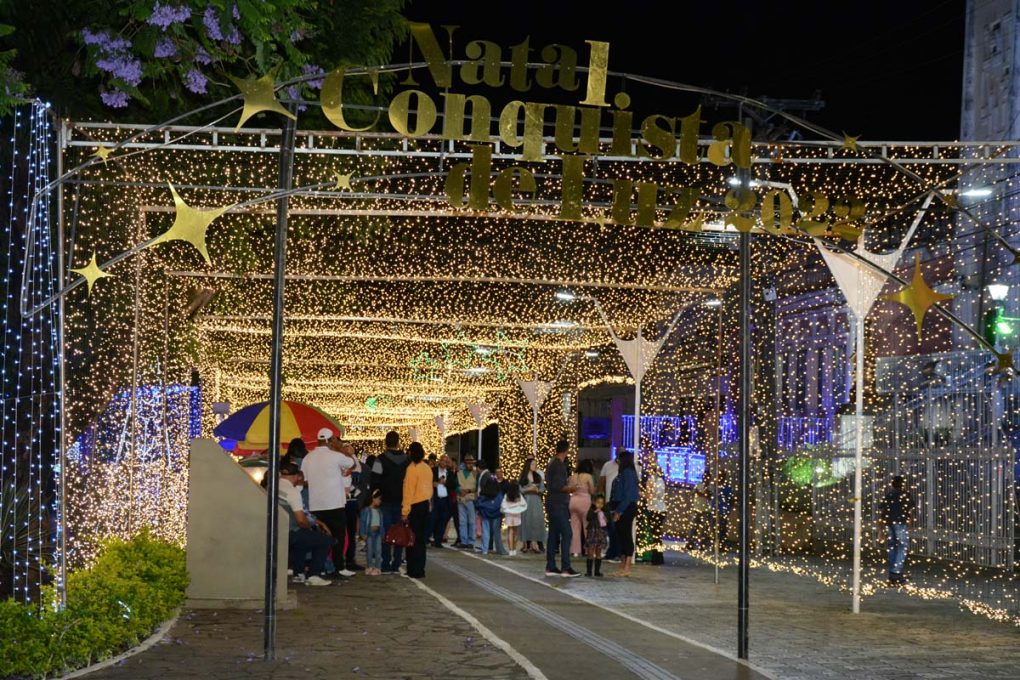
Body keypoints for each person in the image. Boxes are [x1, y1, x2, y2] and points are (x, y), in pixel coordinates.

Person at [301, 428, 356, 577]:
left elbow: (304, 480)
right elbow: (351, 463)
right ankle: (338, 567)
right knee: (338, 537)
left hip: (316, 504)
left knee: (319, 539)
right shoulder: (336, 456)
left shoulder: (308, 458)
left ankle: (320, 568)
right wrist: (340, 448)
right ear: (331, 440)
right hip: (334, 503)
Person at [279, 463, 334, 586]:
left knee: (303, 539)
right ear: (296, 477)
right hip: (289, 531)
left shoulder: (273, 486)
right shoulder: (292, 492)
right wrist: (311, 528)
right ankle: (313, 575)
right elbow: (301, 520)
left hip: (276, 530)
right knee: (325, 540)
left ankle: (298, 574)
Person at [371, 431, 408, 574]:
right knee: (399, 532)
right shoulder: (407, 460)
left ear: (386, 443)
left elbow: (374, 480)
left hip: (385, 501)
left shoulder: (380, 459)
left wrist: (376, 496)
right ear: (398, 442)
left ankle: (385, 563)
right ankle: (396, 563)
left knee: (385, 533)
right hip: (402, 501)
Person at [545, 440, 580, 577]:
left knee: (553, 534)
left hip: (552, 502)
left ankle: (551, 566)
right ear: (566, 450)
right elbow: (558, 486)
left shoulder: (551, 463)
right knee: (567, 533)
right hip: (558, 503)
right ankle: (566, 567)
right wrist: (571, 488)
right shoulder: (559, 465)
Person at [401, 442, 433, 579]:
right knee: (421, 540)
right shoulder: (427, 468)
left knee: (412, 539)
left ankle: (412, 569)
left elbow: (408, 491)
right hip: (425, 504)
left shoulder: (411, 469)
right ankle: (420, 569)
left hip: (415, 506)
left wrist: (405, 511)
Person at [333, 438, 364, 572]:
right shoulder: (334, 458)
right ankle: (339, 560)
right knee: (339, 532)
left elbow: (357, 471)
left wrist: (351, 455)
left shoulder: (349, 460)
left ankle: (348, 559)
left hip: (347, 500)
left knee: (349, 532)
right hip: (338, 500)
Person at [879, 475, 915, 585]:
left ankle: (893, 573)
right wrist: (910, 526)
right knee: (902, 547)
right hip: (900, 523)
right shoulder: (906, 495)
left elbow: (882, 511)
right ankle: (896, 573)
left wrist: (881, 528)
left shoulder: (889, 495)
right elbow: (910, 511)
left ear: (892, 484)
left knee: (892, 546)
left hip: (889, 523)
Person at [611, 450, 640, 577]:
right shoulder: (623, 473)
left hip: (626, 507)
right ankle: (623, 565)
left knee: (625, 534)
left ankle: (627, 566)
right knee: (621, 535)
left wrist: (619, 511)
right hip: (621, 506)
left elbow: (628, 495)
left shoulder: (628, 473)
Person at [518, 457, 545, 554]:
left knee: (536, 521)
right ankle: (525, 544)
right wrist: (528, 489)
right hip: (526, 500)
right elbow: (520, 490)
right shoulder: (523, 477)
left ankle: (535, 543)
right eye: (533, 464)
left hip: (536, 500)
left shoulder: (538, 476)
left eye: (535, 464)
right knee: (526, 521)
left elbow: (542, 489)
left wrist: (537, 490)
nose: (534, 466)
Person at [569, 459, 595, 556]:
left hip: (573, 501)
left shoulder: (573, 476)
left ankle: (575, 550)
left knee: (574, 528)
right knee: (586, 527)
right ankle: (588, 550)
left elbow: (570, 489)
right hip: (584, 501)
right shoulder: (588, 476)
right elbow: (592, 491)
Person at [476, 473, 506, 556]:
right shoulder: (499, 493)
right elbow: (501, 503)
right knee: (497, 532)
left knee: (485, 531)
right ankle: (500, 550)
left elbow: (478, 503)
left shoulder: (483, 493)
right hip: (496, 514)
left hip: (485, 514)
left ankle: (484, 549)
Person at [598, 455, 620, 562]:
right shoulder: (607, 465)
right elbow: (601, 482)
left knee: (615, 529)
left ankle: (616, 552)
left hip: (617, 503)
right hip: (609, 502)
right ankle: (611, 551)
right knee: (610, 528)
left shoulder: (626, 470)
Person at [645, 463, 667, 565]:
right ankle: (657, 556)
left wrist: (646, 493)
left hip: (656, 509)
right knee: (656, 534)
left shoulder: (655, 481)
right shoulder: (659, 481)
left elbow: (652, 496)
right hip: (658, 509)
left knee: (655, 534)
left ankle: (657, 557)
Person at [430, 454, 453, 547]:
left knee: (443, 520)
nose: (444, 463)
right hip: (435, 498)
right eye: (443, 461)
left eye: (446, 461)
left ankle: (438, 541)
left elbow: (452, 485)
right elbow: (429, 481)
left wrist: (446, 483)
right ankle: (428, 538)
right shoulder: (433, 470)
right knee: (433, 519)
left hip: (445, 499)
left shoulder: (449, 473)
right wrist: (434, 483)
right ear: (439, 461)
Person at [359, 490, 384, 575]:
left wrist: (382, 534)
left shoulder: (379, 511)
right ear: (373, 498)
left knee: (378, 551)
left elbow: (382, 524)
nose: (380, 501)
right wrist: (362, 533)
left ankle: (377, 568)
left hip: (378, 533)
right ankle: (370, 567)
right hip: (369, 533)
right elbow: (362, 522)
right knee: (369, 551)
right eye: (379, 499)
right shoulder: (366, 510)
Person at [456, 455, 478, 549]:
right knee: (462, 521)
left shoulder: (475, 473)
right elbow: (456, 485)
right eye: (468, 463)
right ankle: (464, 541)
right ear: (465, 463)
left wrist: (468, 491)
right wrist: (459, 490)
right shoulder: (459, 473)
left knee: (472, 521)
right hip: (461, 499)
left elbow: (478, 487)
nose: (470, 464)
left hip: (471, 499)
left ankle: (471, 541)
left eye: (471, 463)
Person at [585, 493, 609, 577]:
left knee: (598, 551)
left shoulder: (605, 512)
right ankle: (589, 571)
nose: (600, 505)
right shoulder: (592, 510)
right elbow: (588, 518)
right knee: (590, 551)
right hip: (592, 531)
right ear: (594, 502)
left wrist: (606, 519)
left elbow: (608, 521)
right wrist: (595, 512)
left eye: (602, 503)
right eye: (598, 502)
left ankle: (597, 571)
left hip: (601, 532)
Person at [501, 481, 528, 556]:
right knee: (515, 532)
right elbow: (524, 504)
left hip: (509, 515)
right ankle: (514, 549)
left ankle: (510, 550)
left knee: (510, 531)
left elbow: (503, 505)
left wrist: (508, 509)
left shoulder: (507, 495)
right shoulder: (519, 496)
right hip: (516, 514)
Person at [688, 477, 712, 551]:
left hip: (706, 510)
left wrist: (701, 494)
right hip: (697, 509)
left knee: (704, 529)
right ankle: (691, 543)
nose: (706, 479)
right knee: (694, 527)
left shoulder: (711, 487)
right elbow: (694, 493)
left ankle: (702, 545)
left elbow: (709, 496)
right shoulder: (698, 485)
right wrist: (701, 494)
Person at [714, 471, 734, 549]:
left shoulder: (726, 487)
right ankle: (717, 544)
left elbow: (731, 499)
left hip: (723, 511)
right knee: (716, 528)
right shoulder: (716, 487)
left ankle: (722, 544)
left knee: (722, 528)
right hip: (716, 510)